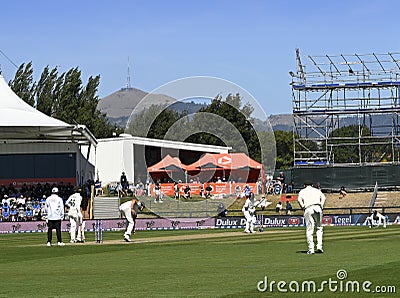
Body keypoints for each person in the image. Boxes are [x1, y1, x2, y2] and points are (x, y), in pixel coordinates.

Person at [297, 180, 326, 254]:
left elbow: (299, 200)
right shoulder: (317, 190)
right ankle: (319, 247)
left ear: (304, 185)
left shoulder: (302, 191)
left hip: (308, 208)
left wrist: (303, 207)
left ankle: (311, 249)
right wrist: (321, 206)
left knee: (310, 229)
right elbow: (323, 198)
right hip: (318, 207)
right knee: (319, 228)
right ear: (312, 185)